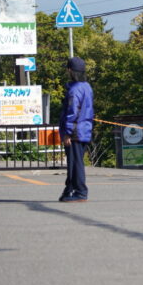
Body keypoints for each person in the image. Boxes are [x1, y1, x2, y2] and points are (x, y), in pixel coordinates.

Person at [58, 56, 94, 202]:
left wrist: (67, 133)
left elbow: (73, 112)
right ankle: (69, 190)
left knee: (75, 163)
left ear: (70, 70)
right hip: (85, 129)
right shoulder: (87, 87)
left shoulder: (75, 90)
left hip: (75, 131)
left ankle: (80, 192)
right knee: (75, 162)